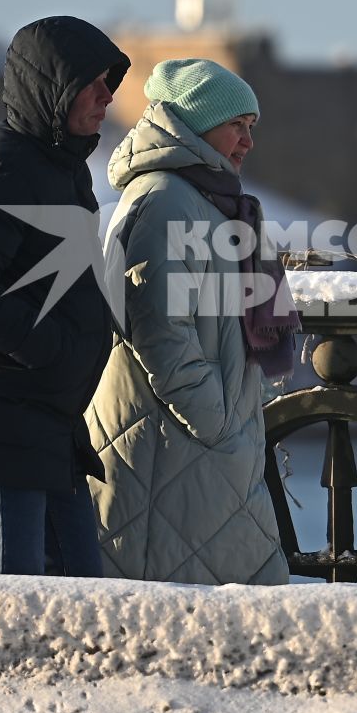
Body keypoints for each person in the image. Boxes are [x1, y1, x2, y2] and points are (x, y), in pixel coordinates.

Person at [0, 15, 130, 575]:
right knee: (14, 614)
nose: (106, 96)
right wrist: (51, 348)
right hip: (1, 421)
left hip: (45, 425)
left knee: (81, 602)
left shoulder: (60, 167)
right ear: (52, 88)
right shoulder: (5, 166)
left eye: (109, 83)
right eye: (93, 83)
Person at [85, 58, 299, 584]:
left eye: (251, 128)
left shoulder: (205, 198)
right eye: (236, 126)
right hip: (174, 442)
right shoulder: (166, 200)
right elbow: (159, 328)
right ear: (195, 126)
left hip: (197, 445)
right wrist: (215, 416)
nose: (247, 141)